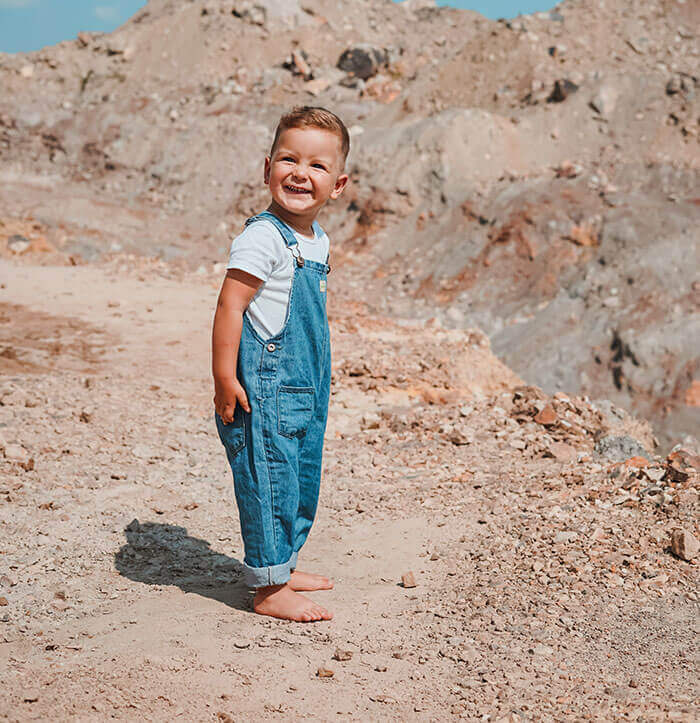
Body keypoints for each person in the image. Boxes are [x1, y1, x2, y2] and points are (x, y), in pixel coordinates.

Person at [211, 107, 349, 622]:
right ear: (267, 168)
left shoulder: (317, 240)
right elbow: (231, 306)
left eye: (317, 166)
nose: (300, 174)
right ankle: (269, 588)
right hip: (265, 388)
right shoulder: (263, 237)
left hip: (304, 385)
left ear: (338, 185)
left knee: (299, 477)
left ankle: (283, 565)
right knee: (269, 478)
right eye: (289, 160)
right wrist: (224, 377)